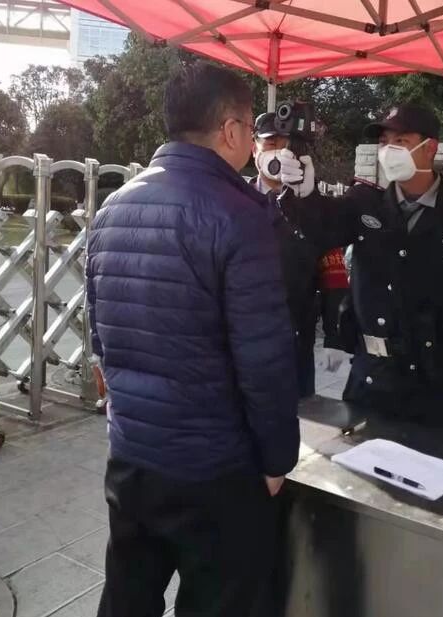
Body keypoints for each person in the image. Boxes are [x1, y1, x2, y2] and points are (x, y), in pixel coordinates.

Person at [85, 61, 300, 617]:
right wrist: (277, 460)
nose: (250, 141)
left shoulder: (111, 208)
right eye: (249, 128)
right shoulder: (240, 216)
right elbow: (265, 360)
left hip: (132, 458)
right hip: (214, 470)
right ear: (230, 130)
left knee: (127, 598)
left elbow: (101, 337)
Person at [278, 102, 443, 424]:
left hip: (437, 383)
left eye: (400, 141)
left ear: (429, 148)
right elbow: (322, 228)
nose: (388, 150)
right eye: (383, 142)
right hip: (372, 379)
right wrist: (303, 196)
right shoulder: (365, 204)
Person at [251, 112, 349, 397]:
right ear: (254, 149)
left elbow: (334, 275)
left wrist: (335, 336)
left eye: (285, 145)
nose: (279, 152)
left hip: (295, 338)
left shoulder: (312, 207)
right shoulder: (235, 202)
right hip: (245, 337)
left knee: (297, 415)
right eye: (270, 144)